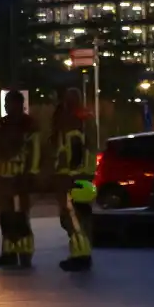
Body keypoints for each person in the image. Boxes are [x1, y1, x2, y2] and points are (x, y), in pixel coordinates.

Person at [0, 90, 41, 268]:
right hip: (2, 179)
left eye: (9, 103)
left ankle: (25, 252)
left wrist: (31, 174)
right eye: (6, 103)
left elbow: (35, 150)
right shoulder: (1, 124)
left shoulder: (28, 125)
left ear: (19, 104)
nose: (6, 106)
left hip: (20, 178)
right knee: (5, 217)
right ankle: (8, 252)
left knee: (19, 217)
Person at [53, 88, 94, 271]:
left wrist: (67, 175)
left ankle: (80, 255)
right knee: (80, 217)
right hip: (83, 178)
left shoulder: (73, 129)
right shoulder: (85, 123)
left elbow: (72, 156)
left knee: (71, 218)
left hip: (72, 179)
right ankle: (82, 253)